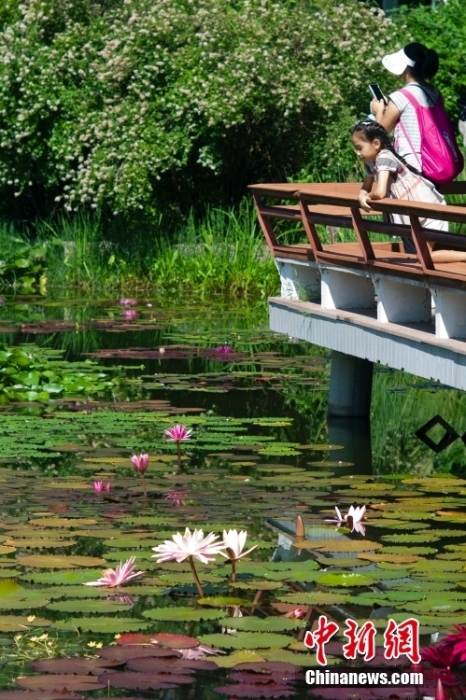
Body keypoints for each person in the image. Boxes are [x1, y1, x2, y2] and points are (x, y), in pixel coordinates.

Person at [352, 120, 466, 264]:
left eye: (359, 148)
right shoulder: (372, 162)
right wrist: (362, 195)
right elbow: (366, 187)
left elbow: (379, 192)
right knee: (421, 257)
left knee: (423, 257)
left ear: (375, 144)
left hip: (431, 211)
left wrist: (366, 197)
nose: (357, 152)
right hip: (418, 212)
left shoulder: (385, 157)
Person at [370, 42, 442, 173]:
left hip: (412, 165)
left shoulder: (402, 96)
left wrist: (378, 111)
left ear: (406, 68)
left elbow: (379, 133)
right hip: (434, 162)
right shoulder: (435, 93)